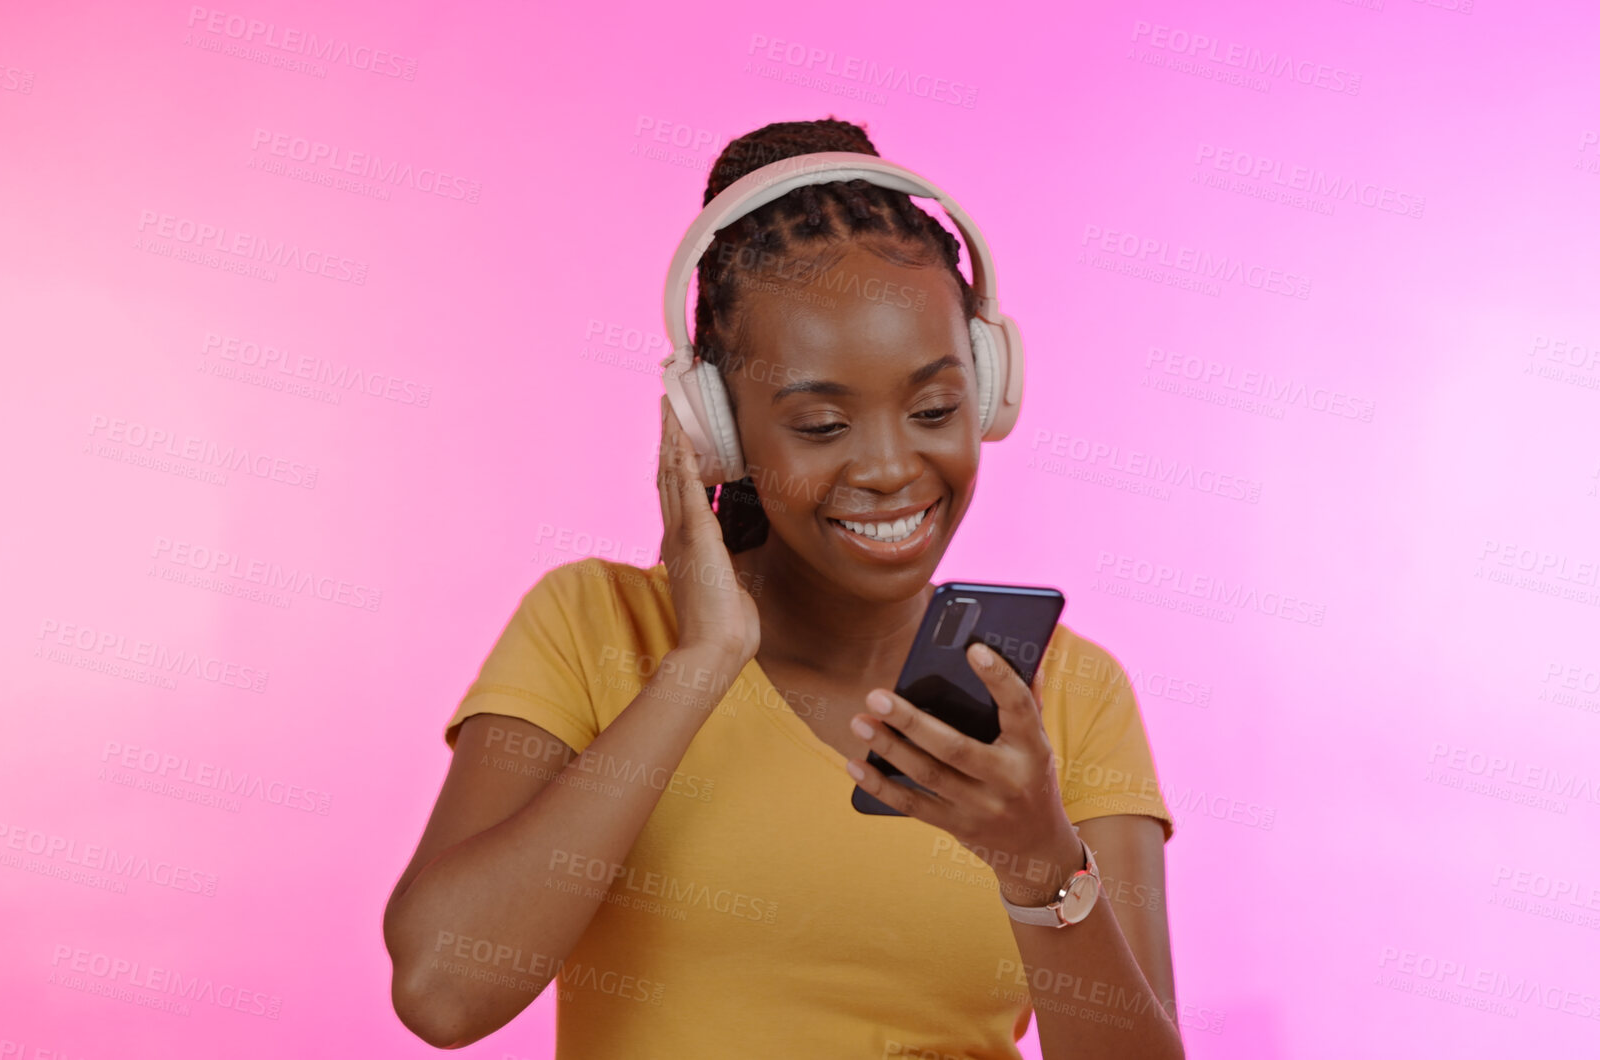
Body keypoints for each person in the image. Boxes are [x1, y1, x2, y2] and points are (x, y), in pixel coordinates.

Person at [384, 117, 1184, 1058]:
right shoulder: (593, 627)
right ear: (717, 431)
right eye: (818, 424)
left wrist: (1040, 862)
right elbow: (442, 991)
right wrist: (704, 662)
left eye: (933, 408)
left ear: (991, 387)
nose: (890, 467)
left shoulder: (1068, 695)